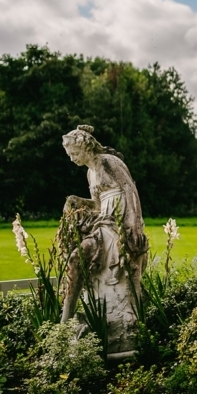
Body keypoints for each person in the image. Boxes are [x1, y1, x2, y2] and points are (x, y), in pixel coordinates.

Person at [59, 124, 149, 355]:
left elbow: (131, 191)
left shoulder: (109, 162)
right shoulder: (90, 173)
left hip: (120, 225)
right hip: (104, 222)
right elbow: (98, 206)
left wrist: (134, 228)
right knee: (75, 258)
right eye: (69, 155)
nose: (72, 159)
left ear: (85, 148)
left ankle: (66, 320)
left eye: (74, 153)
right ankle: (66, 320)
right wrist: (77, 201)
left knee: (79, 256)